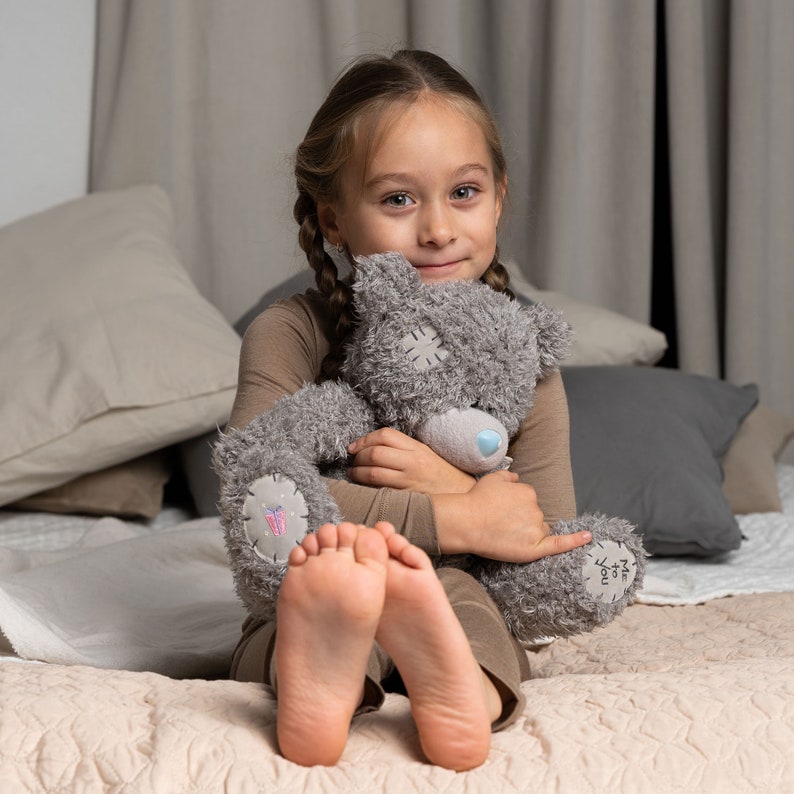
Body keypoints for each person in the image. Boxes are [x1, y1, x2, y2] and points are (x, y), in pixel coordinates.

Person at [225, 48, 592, 771]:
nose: (437, 229)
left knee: (468, 603)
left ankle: (463, 692)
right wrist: (456, 515)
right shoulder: (291, 333)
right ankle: (325, 677)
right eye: (398, 200)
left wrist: (450, 484)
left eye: (464, 192)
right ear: (333, 218)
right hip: (318, 578)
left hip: (464, 597)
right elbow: (255, 494)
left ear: (499, 199)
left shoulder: (522, 358)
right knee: (314, 594)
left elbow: (547, 536)